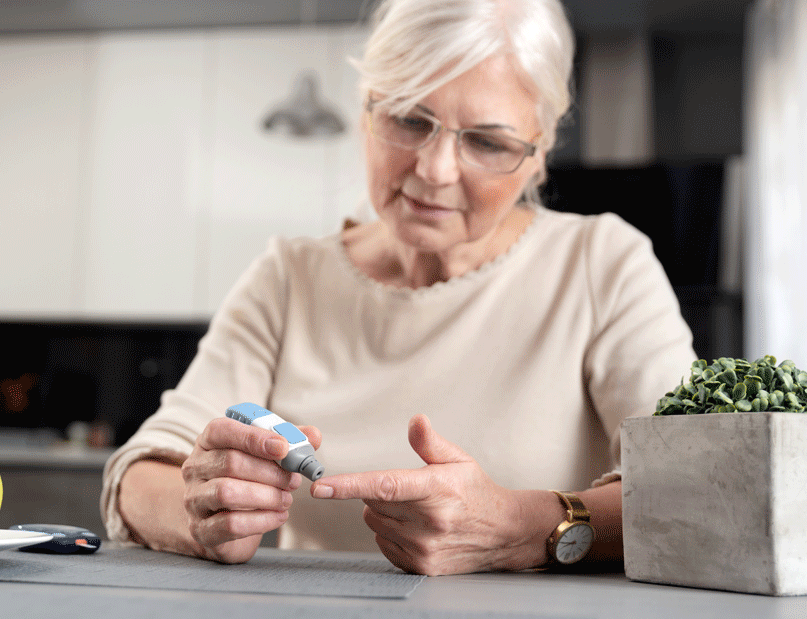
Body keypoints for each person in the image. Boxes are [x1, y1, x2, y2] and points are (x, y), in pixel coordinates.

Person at [101, 0, 696, 576]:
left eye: (487, 142)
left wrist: (519, 525)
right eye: (410, 119)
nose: (435, 170)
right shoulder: (289, 278)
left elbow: (695, 485)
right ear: (366, 112)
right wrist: (200, 508)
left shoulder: (602, 264)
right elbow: (136, 475)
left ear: (539, 155)